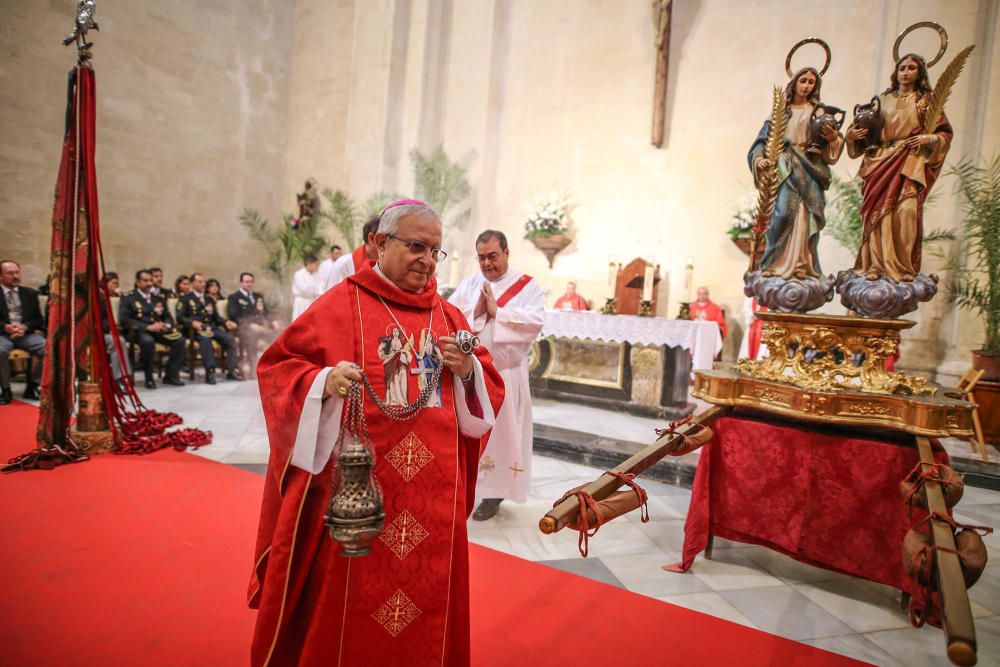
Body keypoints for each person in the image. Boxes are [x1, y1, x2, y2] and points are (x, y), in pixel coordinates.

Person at [249, 199, 504, 666]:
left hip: (433, 503)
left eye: (435, 250)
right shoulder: (340, 304)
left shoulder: (449, 318)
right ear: (379, 244)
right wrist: (321, 382)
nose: (427, 260)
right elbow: (279, 370)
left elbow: (486, 393)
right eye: (416, 246)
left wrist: (468, 370)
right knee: (351, 610)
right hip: (357, 498)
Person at [449, 230, 545, 520]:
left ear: (506, 253)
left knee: (502, 437)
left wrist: (498, 312)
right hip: (472, 374)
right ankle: (467, 487)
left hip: (505, 374)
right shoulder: (470, 284)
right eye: (481, 257)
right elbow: (449, 314)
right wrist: (476, 311)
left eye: (493, 256)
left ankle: (494, 495)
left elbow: (537, 320)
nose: (487, 263)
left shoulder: (527, 286)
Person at [845, 53, 952, 282]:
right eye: (902, 67)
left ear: (919, 72)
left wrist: (929, 139)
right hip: (880, 159)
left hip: (909, 161)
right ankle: (874, 264)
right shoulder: (883, 100)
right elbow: (865, 131)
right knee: (876, 216)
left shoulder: (926, 102)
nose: (905, 72)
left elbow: (944, 133)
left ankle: (903, 267)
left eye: (911, 68)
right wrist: (851, 137)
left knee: (906, 213)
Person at [749, 67, 843, 280]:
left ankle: (803, 265)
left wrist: (833, 138)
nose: (806, 86)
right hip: (784, 169)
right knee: (782, 214)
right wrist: (760, 158)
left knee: (805, 216)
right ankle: (775, 265)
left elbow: (833, 142)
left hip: (810, 168)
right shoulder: (781, 112)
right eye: (803, 81)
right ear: (795, 82)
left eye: (811, 82)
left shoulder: (819, 111)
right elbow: (761, 142)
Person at [119, 269, 186, 389]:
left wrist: (166, 325)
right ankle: (149, 378)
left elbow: (167, 316)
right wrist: (147, 327)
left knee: (179, 340)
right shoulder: (128, 297)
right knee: (147, 342)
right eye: (145, 281)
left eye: (150, 280)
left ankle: (170, 376)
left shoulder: (158, 297)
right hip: (140, 332)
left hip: (159, 330)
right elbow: (124, 319)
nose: (149, 283)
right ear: (138, 282)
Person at [176, 272, 241, 384]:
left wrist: (226, 322)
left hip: (211, 328)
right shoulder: (185, 299)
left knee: (230, 340)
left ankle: (231, 370)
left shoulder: (208, 299)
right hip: (196, 330)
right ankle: (210, 372)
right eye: (199, 282)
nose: (203, 284)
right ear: (192, 283)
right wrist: (193, 322)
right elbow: (180, 317)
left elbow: (216, 317)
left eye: (203, 281)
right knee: (206, 339)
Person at [0, 260, 45, 403]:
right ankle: (6, 389)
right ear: (0, 276)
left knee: (49, 348)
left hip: (25, 334)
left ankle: (33, 385)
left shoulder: (29, 293)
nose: (15, 276)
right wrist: (5, 327)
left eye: (17, 272)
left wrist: (25, 327)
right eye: (10, 273)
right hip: (3, 334)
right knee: (0, 351)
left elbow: (38, 320)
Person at [227, 272, 280, 375]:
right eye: (247, 282)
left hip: (260, 327)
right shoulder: (234, 297)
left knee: (278, 334)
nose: (249, 284)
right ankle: (253, 368)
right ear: (241, 283)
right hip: (243, 328)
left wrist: (273, 321)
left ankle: (276, 366)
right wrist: (249, 325)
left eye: (251, 282)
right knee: (252, 334)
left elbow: (266, 312)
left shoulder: (257, 296)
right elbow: (234, 315)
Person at [324, 217, 381, 291]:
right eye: (388, 238)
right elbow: (331, 298)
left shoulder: (390, 266)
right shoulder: (343, 264)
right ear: (371, 238)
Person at [291, 254, 324, 320]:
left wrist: (314, 290)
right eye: (316, 265)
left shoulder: (318, 275)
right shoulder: (299, 274)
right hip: (301, 303)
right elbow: (304, 289)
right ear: (309, 264)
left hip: (313, 302)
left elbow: (321, 288)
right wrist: (316, 290)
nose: (318, 267)